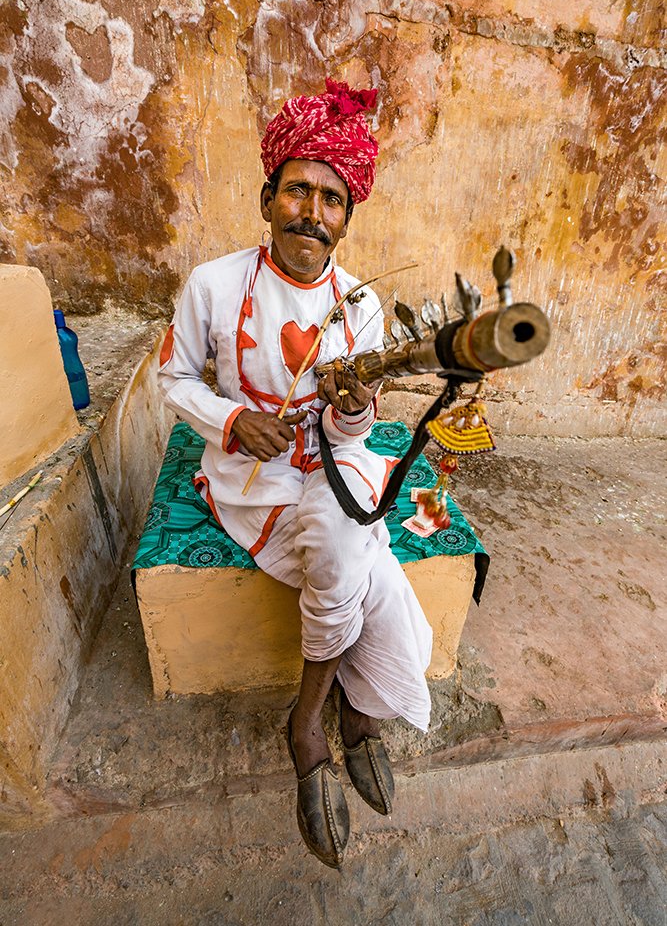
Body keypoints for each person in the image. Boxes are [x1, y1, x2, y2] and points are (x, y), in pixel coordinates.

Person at [158, 78, 432, 868]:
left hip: (336, 466)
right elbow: (173, 380)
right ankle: (343, 719)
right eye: (298, 192)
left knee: (349, 536)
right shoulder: (212, 284)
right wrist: (233, 420)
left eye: (331, 200)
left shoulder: (359, 307)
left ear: (347, 217)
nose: (312, 213)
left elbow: (358, 426)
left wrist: (350, 409)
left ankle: (316, 716)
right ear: (267, 196)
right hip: (256, 480)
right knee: (357, 555)